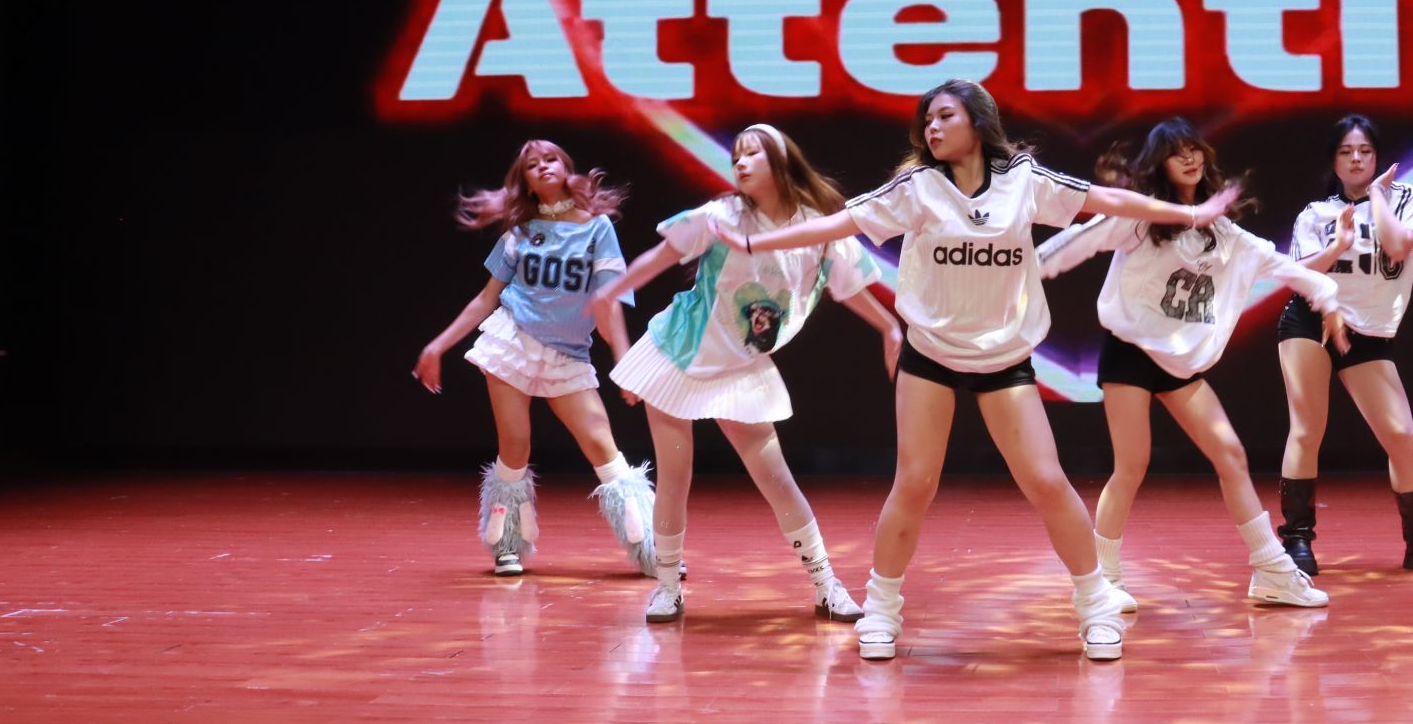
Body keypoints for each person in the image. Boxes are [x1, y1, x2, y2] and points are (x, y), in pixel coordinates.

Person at [721, 79, 1239, 662]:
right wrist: (758, 242)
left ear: (978, 121)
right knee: (914, 484)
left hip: (1003, 358)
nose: (932, 127)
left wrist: (1189, 211)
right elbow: (839, 224)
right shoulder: (917, 187)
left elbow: (1109, 201)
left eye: (945, 116)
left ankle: (1096, 606)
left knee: (1046, 481)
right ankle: (882, 609)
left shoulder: (1024, 179)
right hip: (931, 355)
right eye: (927, 120)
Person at [591, 123, 905, 626]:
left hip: (742, 367)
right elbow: (660, 256)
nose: (740, 161)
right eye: (736, 154)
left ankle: (826, 584)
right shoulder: (719, 217)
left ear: (780, 160)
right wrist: (610, 293)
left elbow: (849, 287)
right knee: (675, 478)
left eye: (752, 152)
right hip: (680, 355)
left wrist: (889, 327)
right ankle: (667, 588)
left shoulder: (818, 228)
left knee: (777, 479)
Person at [1037, 117, 1349, 611]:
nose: (1188, 158)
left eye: (1194, 149)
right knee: (1131, 465)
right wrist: (1020, 272)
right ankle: (1103, 580)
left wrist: (1328, 298)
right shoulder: (1142, 217)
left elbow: (1285, 268)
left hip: (1180, 364)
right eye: (1175, 152)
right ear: (1159, 164)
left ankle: (1272, 572)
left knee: (1230, 455)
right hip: (1130, 352)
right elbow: (1075, 243)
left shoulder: (1226, 235)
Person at [414, 139, 654, 578]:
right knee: (515, 445)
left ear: (566, 167)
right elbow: (486, 298)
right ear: (524, 180)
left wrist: (624, 363)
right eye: (532, 164)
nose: (543, 166)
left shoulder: (597, 228)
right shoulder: (520, 232)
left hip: (568, 354)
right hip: (514, 342)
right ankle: (506, 545)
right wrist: (437, 345)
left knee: (602, 444)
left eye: (551, 159)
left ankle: (653, 550)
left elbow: (609, 303)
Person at [1276, 114, 1413, 576]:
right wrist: (1337, 245)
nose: (1356, 159)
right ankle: (1297, 543)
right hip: (1312, 320)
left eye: (1365, 151)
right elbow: (1297, 276)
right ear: (1333, 161)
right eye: (1346, 152)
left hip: (1368, 332)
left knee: (1400, 434)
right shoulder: (1315, 214)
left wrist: (1377, 195)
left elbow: (1397, 247)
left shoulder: (1403, 198)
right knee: (1307, 430)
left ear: (1377, 157)